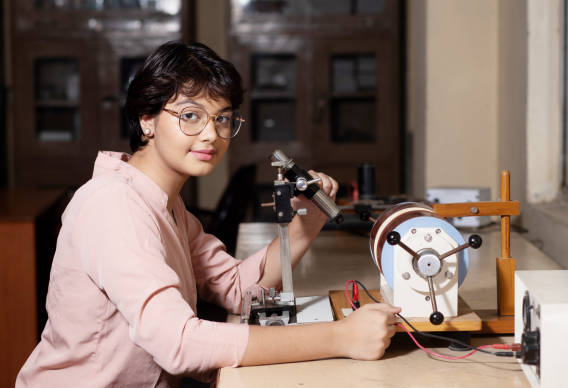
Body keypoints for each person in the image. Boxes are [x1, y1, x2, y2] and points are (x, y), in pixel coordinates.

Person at [16, 41, 400, 387]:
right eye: (190, 115)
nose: (210, 135)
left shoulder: (167, 204)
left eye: (221, 118)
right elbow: (178, 342)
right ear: (147, 120)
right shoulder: (114, 204)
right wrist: (341, 337)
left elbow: (237, 289)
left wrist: (308, 221)